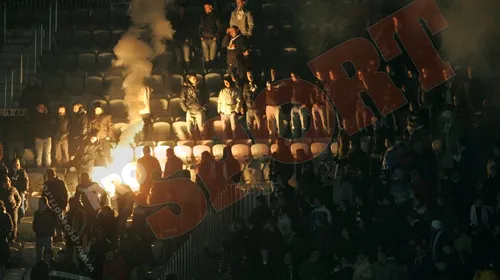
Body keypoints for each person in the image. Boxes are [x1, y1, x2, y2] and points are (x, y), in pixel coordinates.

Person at [180, 73, 206, 140]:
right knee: (190, 128)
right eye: (191, 78)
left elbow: (206, 97)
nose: (194, 78)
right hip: (189, 110)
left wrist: (203, 107)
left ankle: (202, 141)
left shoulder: (201, 86)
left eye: (194, 77)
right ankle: (191, 141)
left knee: (201, 127)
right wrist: (186, 109)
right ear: (188, 79)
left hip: (199, 110)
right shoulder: (185, 88)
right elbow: (182, 100)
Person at [199, 2, 223, 70]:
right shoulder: (203, 17)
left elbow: (219, 27)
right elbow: (200, 27)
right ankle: (207, 70)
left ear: (210, 7)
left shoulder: (216, 16)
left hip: (213, 39)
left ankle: (212, 69)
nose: (205, 9)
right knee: (207, 57)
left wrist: (216, 36)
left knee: (212, 57)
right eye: (204, 8)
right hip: (204, 38)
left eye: (206, 7)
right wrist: (201, 35)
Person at [33, 197, 58, 262]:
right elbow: (34, 223)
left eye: (40, 203)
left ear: (45, 203)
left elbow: (55, 223)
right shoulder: (37, 213)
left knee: (47, 254)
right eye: (39, 203)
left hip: (47, 236)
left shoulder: (51, 213)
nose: (39, 204)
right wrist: (36, 230)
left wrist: (49, 232)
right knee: (38, 255)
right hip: (38, 236)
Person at [171, 4, 193, 72]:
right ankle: (179, 72)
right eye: (179, 10)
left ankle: (188, 72)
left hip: (185, 40)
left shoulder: (188, 19)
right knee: (179, 58)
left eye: (182, 9)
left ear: (184, 10)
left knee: (186, 58)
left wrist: (187, 38)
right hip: (176, 40)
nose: (180, 11)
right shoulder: (174, 19)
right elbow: (171, 29)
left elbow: (190, 29)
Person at [0, 174, 20, 243]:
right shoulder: (1, 191)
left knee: (14, 223)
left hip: (13, 209)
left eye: (7, 182)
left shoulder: (13, 189)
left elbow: (19, 199)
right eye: (4, 183)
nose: (6, 184)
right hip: (4, 210)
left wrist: (16, 207)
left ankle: (13, 238)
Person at [9, 158, 28, 222]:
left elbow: (26, 181)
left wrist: (24, 190)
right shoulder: (10, 172)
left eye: (17, 164)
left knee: (21, 209)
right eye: (15, 165)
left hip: (20, 191)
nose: (16, 166)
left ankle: (18, 219)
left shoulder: (22, 172)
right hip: (12, 191)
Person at [242, 71, 261, 136]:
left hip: (256, 109)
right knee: (249, 127)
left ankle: (260, 138)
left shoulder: (258, 85)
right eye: (248, 76)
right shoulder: (246, 86)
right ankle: (251, 139)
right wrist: (242, 107)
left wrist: (255, 91)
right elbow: (244, 97)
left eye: (251, 75)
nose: (250, 77)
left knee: (260, 126)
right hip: (249, 109)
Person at [33, 103, 52, 168]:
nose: (42, 109)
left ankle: (49, 171)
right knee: (39, 156)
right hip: (38, 138)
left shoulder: (47, 116)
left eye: (43, 108)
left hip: (47, 137)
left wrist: (46, 113)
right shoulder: (35, 116)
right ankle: (38, 171)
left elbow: (50, 122)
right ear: (37, 108)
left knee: (47, 155)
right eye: (41, 108)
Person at [0, 201, 13, 279]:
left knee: (3, 259)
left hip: (2, 240)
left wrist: (4, 233)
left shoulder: (6, 216)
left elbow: (10, 227)